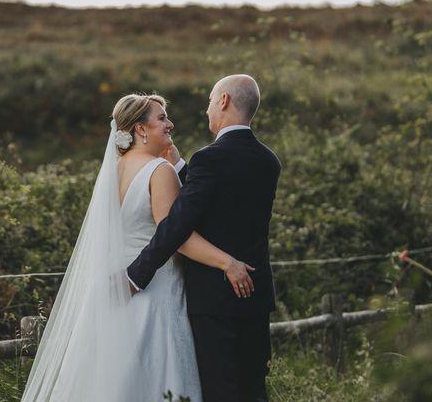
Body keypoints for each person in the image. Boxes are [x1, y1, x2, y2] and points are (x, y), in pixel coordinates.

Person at [21, 93, 253, 401]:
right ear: (140, 129)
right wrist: (227, 262)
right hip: (154, 289)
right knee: (155, 375)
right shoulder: (159, 171)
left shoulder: (115, 170)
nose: (169, 124)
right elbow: (175, 236)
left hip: (115, 287)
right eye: (161, 118)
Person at [127, 75, 281, 402]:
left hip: (214, 299)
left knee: (221, 391)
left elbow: (178, 223)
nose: (206, 108)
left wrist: (137, 272)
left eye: (210, 100)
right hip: (256, 296)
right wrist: (183, 166)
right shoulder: (269, 161)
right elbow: (226, 198)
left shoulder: (210, 159)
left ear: (223, 101)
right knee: (254, 389)